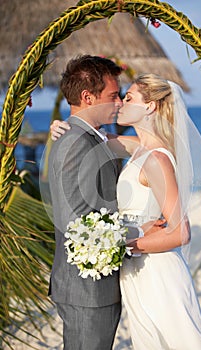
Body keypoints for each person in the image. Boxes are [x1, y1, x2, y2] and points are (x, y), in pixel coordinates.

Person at [50, 74, 201, 349]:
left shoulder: (156, 158)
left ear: (151, 107)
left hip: (157, 272)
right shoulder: (139, 148)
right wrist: (62, 126)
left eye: (128, 98)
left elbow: (181, 232)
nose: (119, 103)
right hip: (137, 273)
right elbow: (92, 138)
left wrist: (126, 244)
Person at [47, 55, 125, 350]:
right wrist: (137, 236)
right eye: (114, 95)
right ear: (88, 97)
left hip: (96, 288)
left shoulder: (92, 137)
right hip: (86, 288)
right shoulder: (76, 142)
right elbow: (74, 222)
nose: (119, 103)